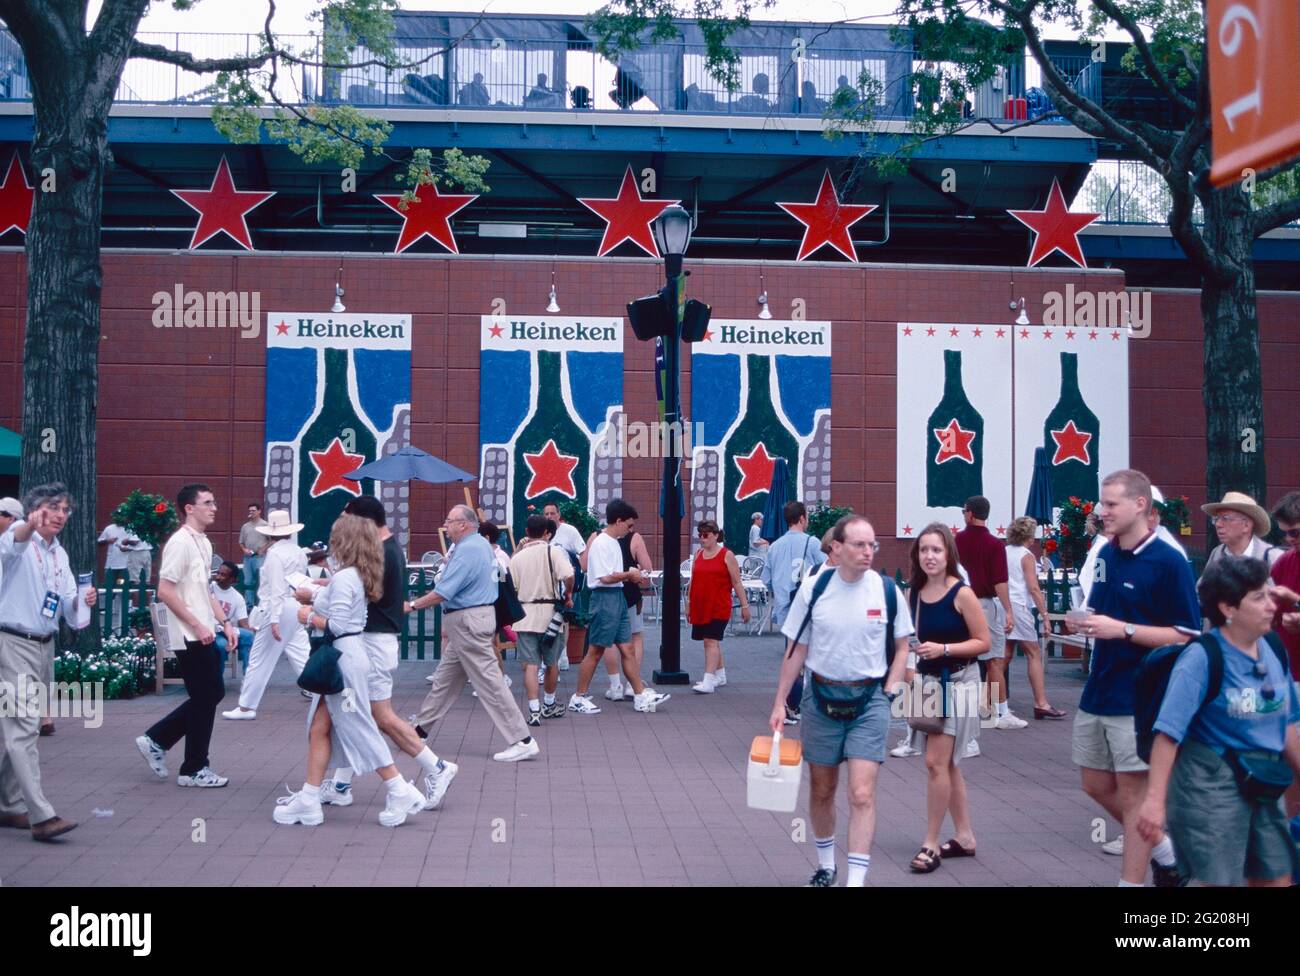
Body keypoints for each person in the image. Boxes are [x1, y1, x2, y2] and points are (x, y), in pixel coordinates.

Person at [1065, 468, 1201, 886]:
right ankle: (1168, 853)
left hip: (1139, 695)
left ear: (1140, 504)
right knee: (1092, 783)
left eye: (1110, 504)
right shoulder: (1106, 553)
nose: (1101, 511)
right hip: (1099, 686)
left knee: (1132, 795)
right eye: (1101, 503)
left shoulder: (1169, 561)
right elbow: (1101, 611)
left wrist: (1121, 630)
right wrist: (1083, 623)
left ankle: (1132, 882)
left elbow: (1186, 635)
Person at [1135, 554, 1300, 886]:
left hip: (1264, 783)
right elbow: (1168, 734)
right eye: (1259, 598)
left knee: (1277, 877)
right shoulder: (1201, 657)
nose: (1271, 605)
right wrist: (1154, 802)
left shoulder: (1273, 648)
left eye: (1270, 595)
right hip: (1209, 786)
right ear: (1228, 608)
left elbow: (1289, 725)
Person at [768, 515, 911, 886]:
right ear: (838, 548)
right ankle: (827, 865)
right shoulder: (815, 589)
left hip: (869, 700)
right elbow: (796, 649)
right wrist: (780, 702)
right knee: (822, 787)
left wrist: (892, 686)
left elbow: (902, 647)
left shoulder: (887, 590)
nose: (868, 552)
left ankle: (856, 880)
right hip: (821, 698)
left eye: (872, 545)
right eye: (860, 545)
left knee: (862, 791)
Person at [273, 514, 427, 827]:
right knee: (321, 726)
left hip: (342, 659)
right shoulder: (361, 574)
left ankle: (398, 788)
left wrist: (308, 616)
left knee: (356, 726)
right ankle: (309, 797)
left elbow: (340, 624)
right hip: (348, 657)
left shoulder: (345, 577)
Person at [319, 496, 458, 811]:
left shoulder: (381, 553)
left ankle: (437, 767)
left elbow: (361, 598)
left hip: (373, 643)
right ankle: (340, 784)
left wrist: (324, 593)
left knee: (378, 716)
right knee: (354, 715)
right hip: (377, 642)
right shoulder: (389, 549)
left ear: (364, 522)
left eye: (349, 520)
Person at [0, 484, 96, 841]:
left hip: (44, 645)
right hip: (11, 643)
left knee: (22, 728)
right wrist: (27, 524)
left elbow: (68, 605)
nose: (59, 514)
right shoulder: (14, 538)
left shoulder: (59, 554)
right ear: (32, 510)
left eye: (65, 509)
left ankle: (8, 805)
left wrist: (82, 600)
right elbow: (14, 544)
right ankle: (42, 816)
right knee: (23, 725)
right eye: (52, 507)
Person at [407, 505, 540, 762]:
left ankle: (522, 739)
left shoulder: (467, 550)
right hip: (470, 620)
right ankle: (419, 730)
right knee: (445, 680)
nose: (446, 526)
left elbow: (443, 591)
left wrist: (412, 605)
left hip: (468, 620)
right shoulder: (480, 545)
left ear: (464, 524)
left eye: (449, 521)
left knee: (490, 682)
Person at [135, 483, 235, 789]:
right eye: (207, 502)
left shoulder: (203, 543)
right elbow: (165, 590)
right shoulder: (180, 543)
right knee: (208, 695)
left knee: (209, 695)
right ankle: (191, 767)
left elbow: (204, 590)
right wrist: (198, 625)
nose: (214, 507)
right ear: (189, 508)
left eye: (214, 501)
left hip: (203, 630)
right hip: (188, 634)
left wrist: (224, 622)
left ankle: (159, 741)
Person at [905, 523, 991, 873]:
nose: (929, 556)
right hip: (926, 683)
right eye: (924, 550)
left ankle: (930, 843)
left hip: (960, 681)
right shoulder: (914, 592)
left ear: (948, 554)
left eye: (936, 550)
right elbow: (909, 638)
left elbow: (984, 642)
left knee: (935, 762)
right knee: (947, 763)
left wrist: (944, 648)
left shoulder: (962, 594)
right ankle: (965, 836)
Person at [567, 499, 670, 715]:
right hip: (605, 599)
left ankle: (640, 694)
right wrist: (630, 574)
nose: (630, 529)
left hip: (617, 597)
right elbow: (604, 577)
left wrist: (629, 576)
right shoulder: (603, 542)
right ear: (618, 520)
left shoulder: (613, 541)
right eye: (629, 525)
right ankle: (578, 697)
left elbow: (611, 575)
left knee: (627, 647)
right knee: (595, 650)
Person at [221, 510, 311, 720]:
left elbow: (276, 590)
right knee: (301, 653)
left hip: (277, 607)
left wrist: (274, 620)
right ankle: (324, 693)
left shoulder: (275, 554)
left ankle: (246, 707)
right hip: (296, 604)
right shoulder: (298, 551)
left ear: (270, 533)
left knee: (260, 658)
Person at [954, 496, 1018, 732]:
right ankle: (999, 711)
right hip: (984, 603)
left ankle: (966, 709)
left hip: (959, 602)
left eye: (964, 511)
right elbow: (1000, 581)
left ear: (969, 514)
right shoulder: (994, 544)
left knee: (961, 657)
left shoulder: (956, 541)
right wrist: (1009, 611)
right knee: (994, 659)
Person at [510, 513, 575, 726]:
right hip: (550, 616)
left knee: (530, 665)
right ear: (547, 532)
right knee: (551, 662)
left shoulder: (517, 558)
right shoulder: (554, 552)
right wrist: (568, 595)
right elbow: (569, 575)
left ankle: (534, 710)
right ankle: (549, 703)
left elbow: (510, 586)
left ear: (527, 532)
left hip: (524, 615)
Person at [1005, 517, 1065, 719]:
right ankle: (1041, 702)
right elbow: (1033, 588)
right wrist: (1045, 616)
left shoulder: (1003, 552)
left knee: (1003, 656)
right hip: (1020, 606)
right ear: (1029, 536)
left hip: (1003, 605)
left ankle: (991, 701)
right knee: (1033, 652)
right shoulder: (1027, 556)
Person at [1267, 491, 1300, 823]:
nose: (1290, 540)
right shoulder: (1284, 562)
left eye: (1296, 532)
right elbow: (1270, 618)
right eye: (1285, 533)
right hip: (1289, 678)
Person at [688, 521, 750, 694]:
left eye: (705, 535)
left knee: (711, 640)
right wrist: (688, 604)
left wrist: (745, 605)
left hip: (719, 605)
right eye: (699, 535)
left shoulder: (726, 555)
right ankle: (720, 674)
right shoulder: (699, 554)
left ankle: (708, 680)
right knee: (709, 640)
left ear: (715, 535)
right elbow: (693, 580)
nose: (702, 538)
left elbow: (737, 582)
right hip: (700, 605)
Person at [760, 501, 826, 631]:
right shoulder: (812, 543)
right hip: (807, 605)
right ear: (802, 518)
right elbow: (828, 570)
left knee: (790, 646)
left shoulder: (774, 546)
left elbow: (766, 579)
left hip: (783, 606)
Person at [1200, 491, 1283, 576]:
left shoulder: (1272, 557)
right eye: (1216, 519)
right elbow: (1202, 587)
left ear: (1246, 525)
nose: (1218, 524)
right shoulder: (1217, 553)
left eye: (1225, 518)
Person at [211, 560, 253, 673]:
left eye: (223, 575)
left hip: (226, 631)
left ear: (233, 580)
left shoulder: (237, 597)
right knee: (222, 645)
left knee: (249, 636)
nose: (218, 577)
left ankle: (248, 677)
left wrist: (253, 631)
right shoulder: (210, 588)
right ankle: (216, 680)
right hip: (209, 630)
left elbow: (244, 623)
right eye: (218, 573)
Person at [238, 503, 269, 593]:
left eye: (253, 510)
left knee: (261, 581)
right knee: (247, 582)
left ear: (259, 511)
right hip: (247, 558)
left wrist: (263, 549)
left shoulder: (265, 525)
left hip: (260, 558)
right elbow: (241, 542)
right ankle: (249, 605)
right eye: (250, 511)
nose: (251, 512)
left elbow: (271, 541)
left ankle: (261, 604)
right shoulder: (245, 526)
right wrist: (244, 549)